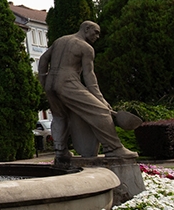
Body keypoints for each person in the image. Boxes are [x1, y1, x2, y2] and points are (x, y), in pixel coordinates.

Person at [37, 21, 137, 163]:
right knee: (101, 111)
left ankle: (61, 152)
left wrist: (44, 80)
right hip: (68, 81)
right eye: (95, 32)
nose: (97, 36)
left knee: (60, 117)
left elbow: (43, 59)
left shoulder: (60, 40)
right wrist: (100, 99)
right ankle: (114, 148)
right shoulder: (86, 47)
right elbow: (89, 75)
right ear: (86, 28)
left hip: (51, 83)